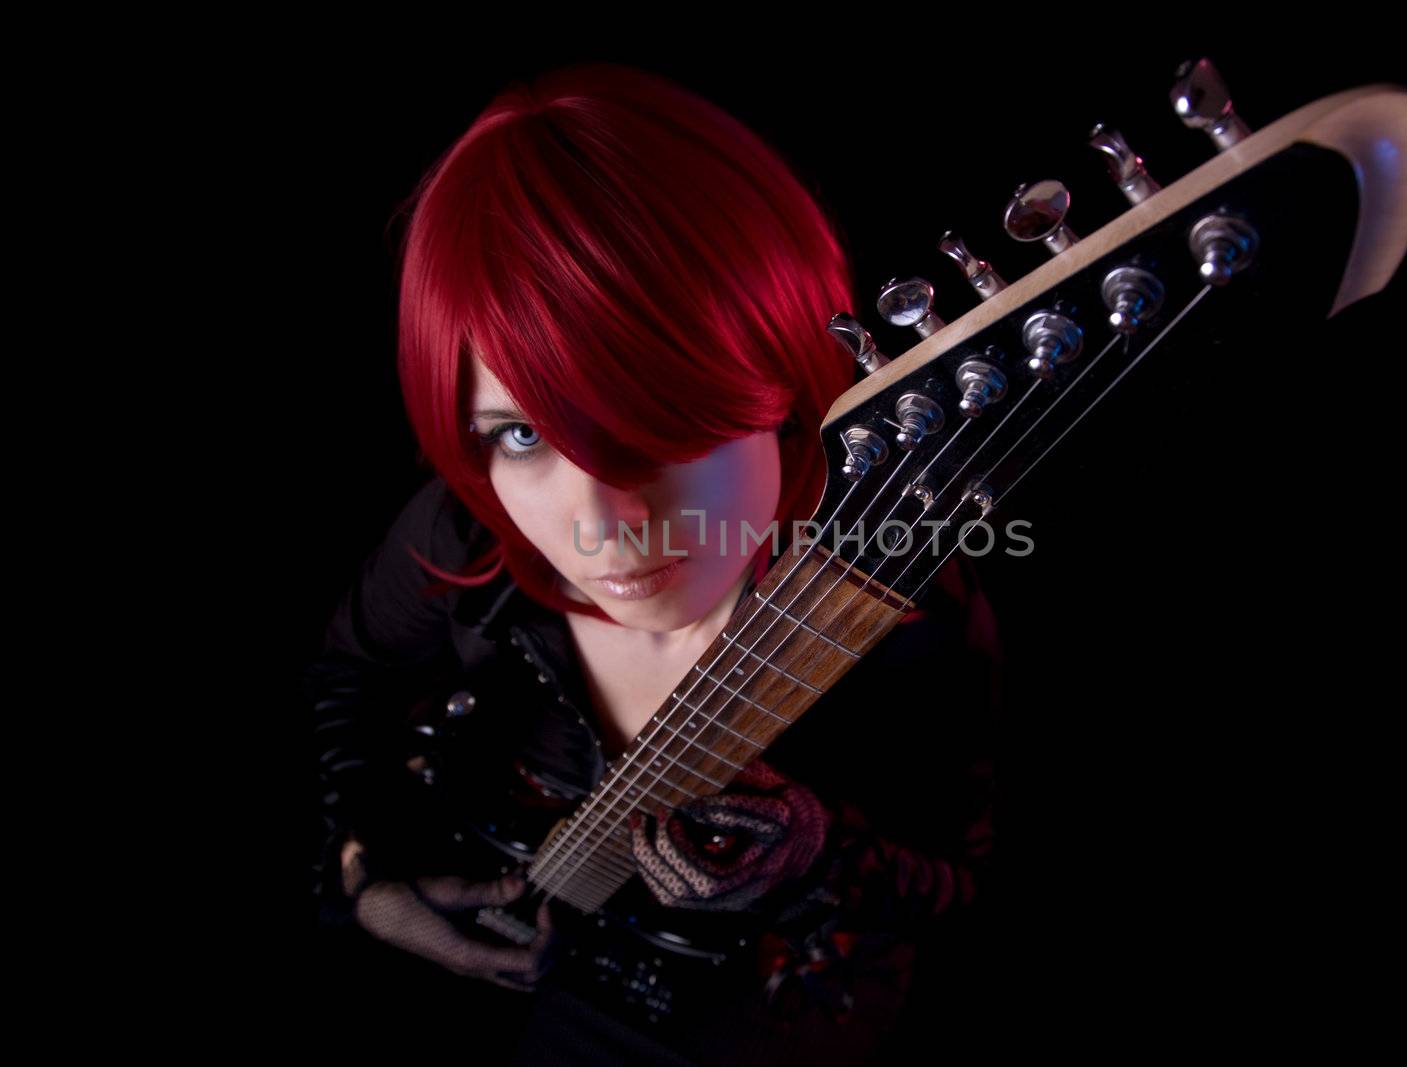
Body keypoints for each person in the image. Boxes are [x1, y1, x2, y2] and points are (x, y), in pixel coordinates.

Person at [306, 62, 1006, 1065]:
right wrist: (362, 866)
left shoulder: (901, 606)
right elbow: (347, 675)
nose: (600, 523)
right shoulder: (466, 540)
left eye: (655, 421)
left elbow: (963, 894)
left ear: (787, 378)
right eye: (518, 437)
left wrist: (819, 860)